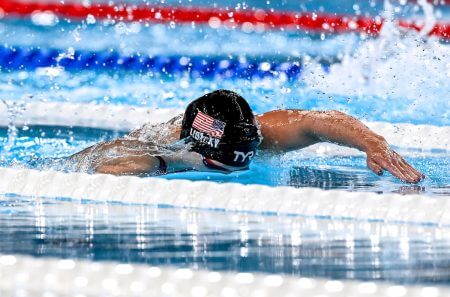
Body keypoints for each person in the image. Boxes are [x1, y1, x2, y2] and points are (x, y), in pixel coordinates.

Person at [69, 90, 424, 184]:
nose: (244, 160)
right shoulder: (156, 149)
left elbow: (324, 120)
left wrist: (371, 143)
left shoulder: (266, 131)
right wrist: (170, 163)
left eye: (248, 149)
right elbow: (103, 169)